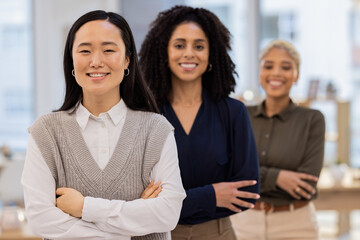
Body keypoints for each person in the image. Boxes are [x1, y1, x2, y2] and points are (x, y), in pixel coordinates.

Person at [21, 10, 186, 240]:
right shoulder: (45, 133)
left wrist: (84, 208)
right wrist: (128, 225)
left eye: (109, 50)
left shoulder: (156, 130)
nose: (96, 61)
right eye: (85, 51)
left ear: (127, 59)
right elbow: (41, 220)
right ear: (72, 59)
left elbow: (167, 214)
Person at [139, 5, 260, 240]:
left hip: (217, 233)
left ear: (211, 54)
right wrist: (211, 195)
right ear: (164, 53)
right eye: (179, 45)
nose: (189, 53)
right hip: (158, 235)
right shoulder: (144, 114)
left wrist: (167, 202)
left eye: (199, 46)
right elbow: (135, 200)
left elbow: (247, 192)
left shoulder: (233, 112)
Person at [230, 40, 325, 240]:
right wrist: (278, 177)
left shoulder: (312, 119)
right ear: (260, 73)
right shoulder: (242, 115)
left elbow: (307, 183)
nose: (276, 73)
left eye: (286, 67)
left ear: (296, 75)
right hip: (244, 222)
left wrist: (256, 175)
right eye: (268, 66)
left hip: (296, 225)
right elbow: (231, 172)